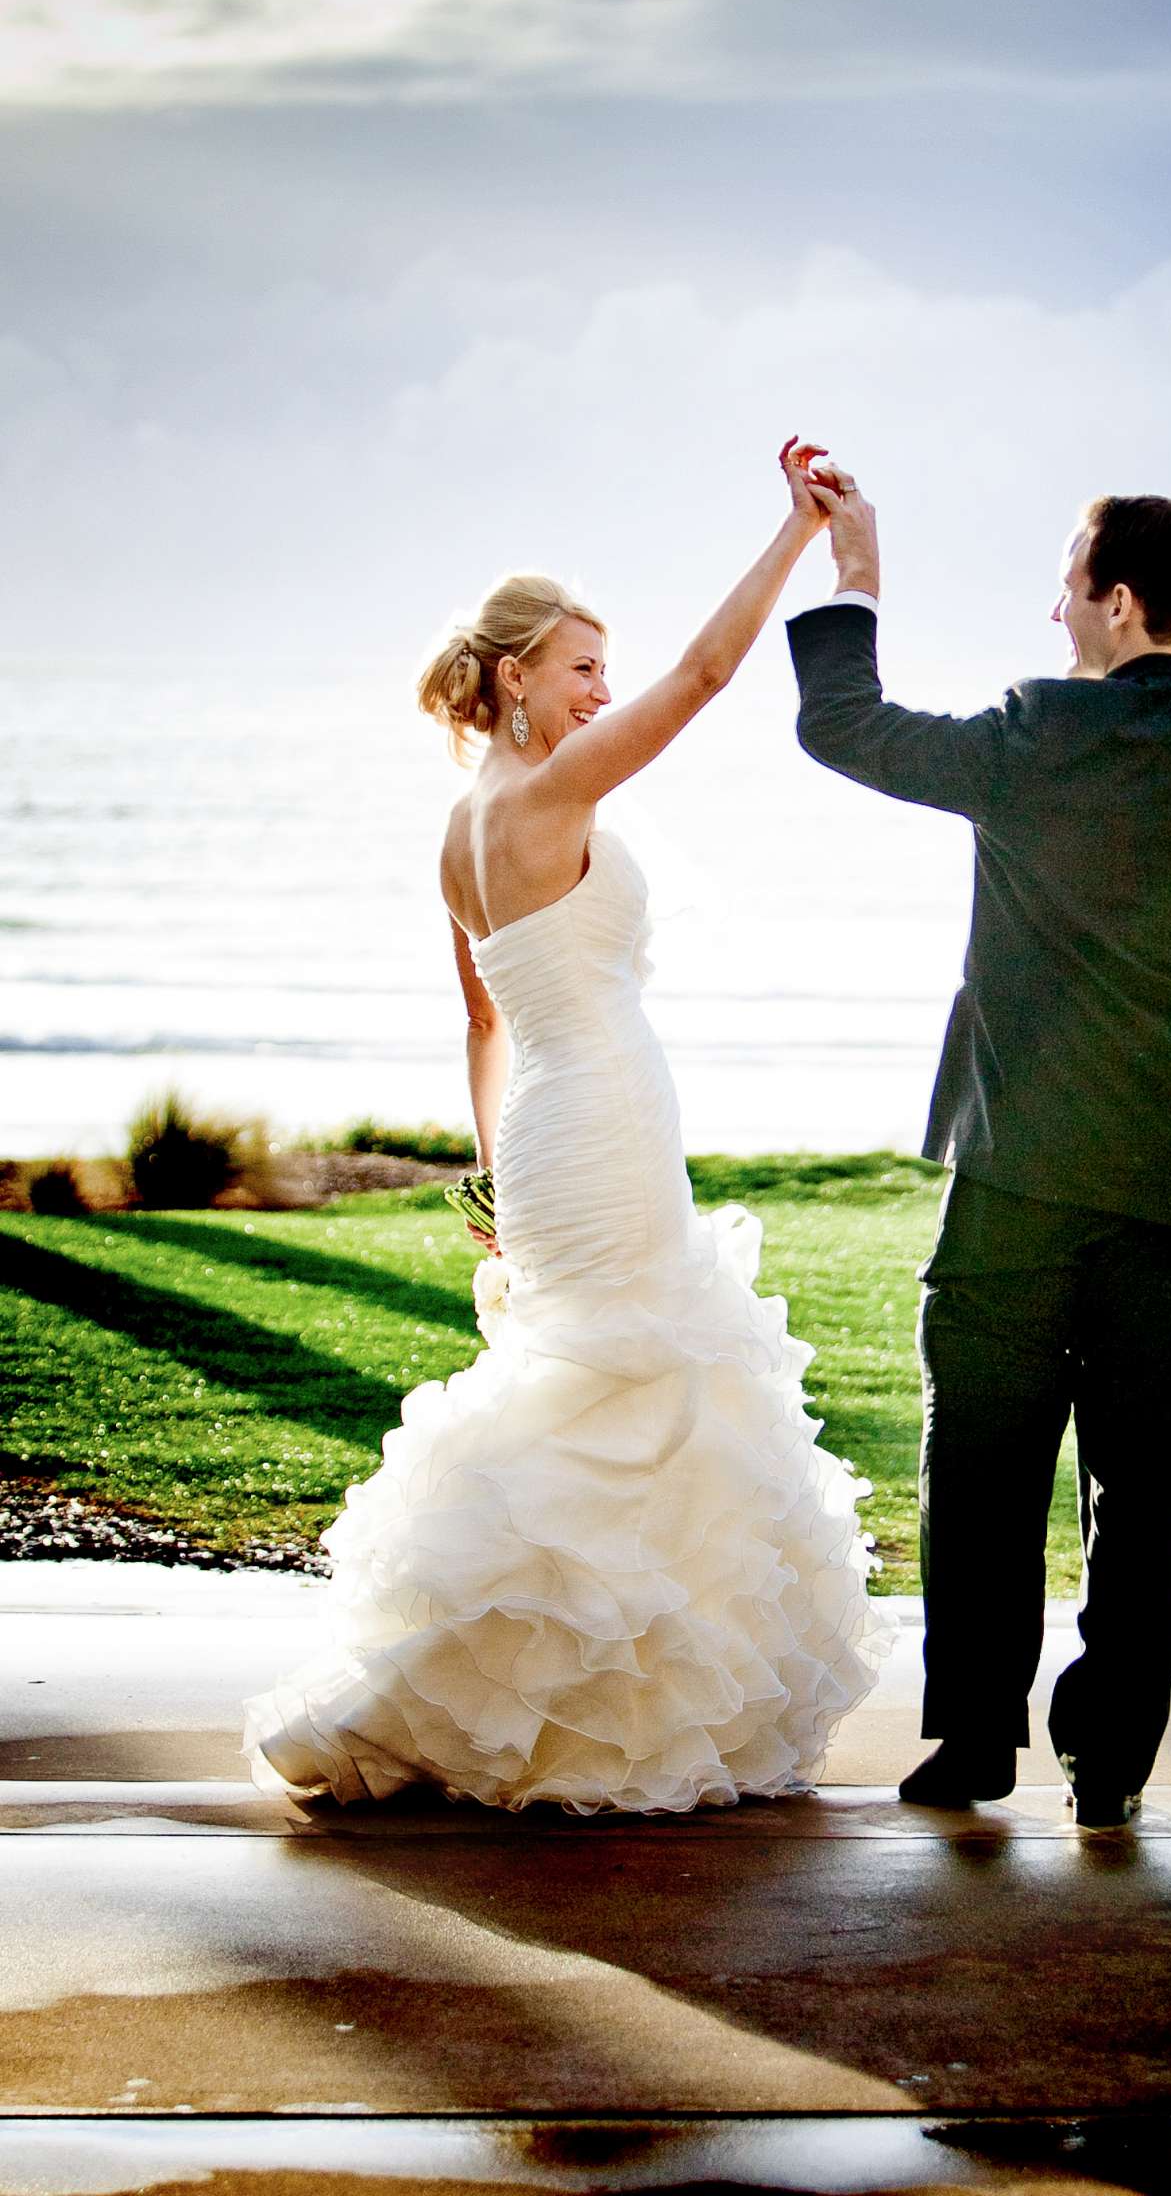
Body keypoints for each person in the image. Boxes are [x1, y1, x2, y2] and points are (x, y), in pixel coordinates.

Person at [242, 440, 889, 1814]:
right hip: (597, 1113)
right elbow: (709, 680)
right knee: (634, 1384)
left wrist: (489, 1167)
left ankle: (539, 1689)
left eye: (607, 668)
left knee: (585, 1379)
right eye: (583, 667)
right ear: (515, 677)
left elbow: (480, 1025)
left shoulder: (456, 830)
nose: (603, 689)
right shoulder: (550, 793)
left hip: (539, 1127)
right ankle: (593, 1713)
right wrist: (797, 538)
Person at [788, 468, 1171, 1829]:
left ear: (1120, 603)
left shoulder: (1039, 734)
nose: (1053, 610)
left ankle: (975, 1743)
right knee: (1142, 1490)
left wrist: (856, 569)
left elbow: (844, 725)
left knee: (979, 1471)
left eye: (1067, 585)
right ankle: (1112, 1766)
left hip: (1021, 1181)